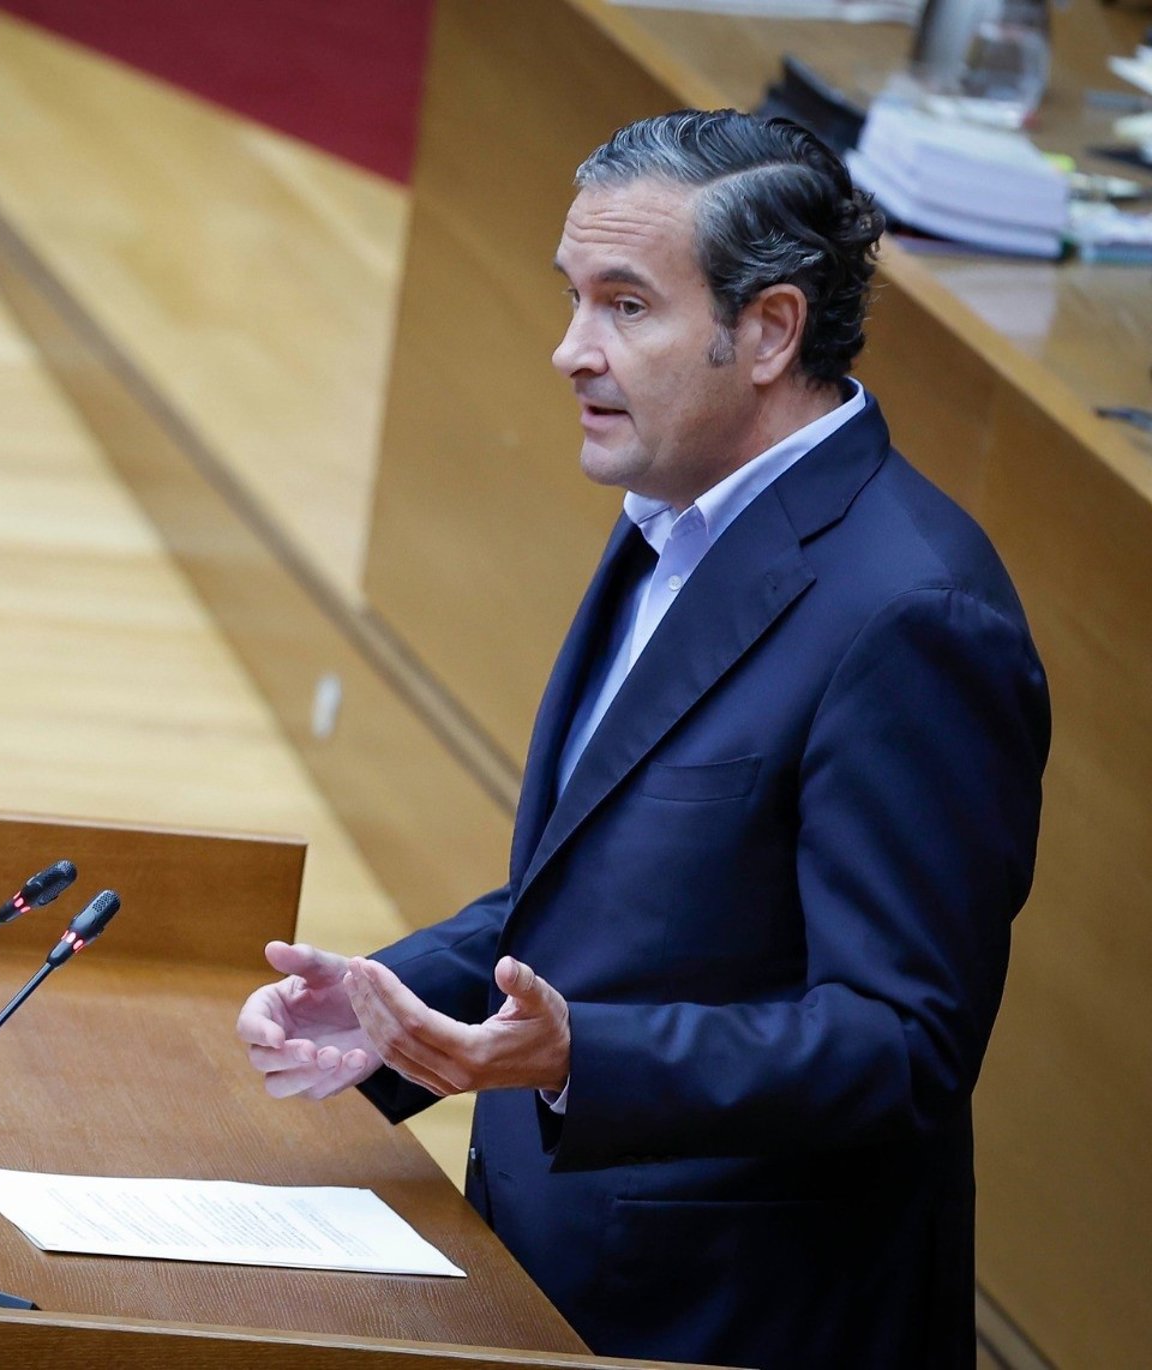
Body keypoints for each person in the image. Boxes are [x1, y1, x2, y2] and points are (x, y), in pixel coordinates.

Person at [235, 110, 1050, 1369]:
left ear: (768, 330)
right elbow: (621, 892)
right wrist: (389, 1006)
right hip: (549, 1271)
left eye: (625, 305)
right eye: (574, 298)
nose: (571, 349)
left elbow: (902, 1046)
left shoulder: (916, 614)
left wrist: (583, 1055)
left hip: (731, 1319)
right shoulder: (673, 514)